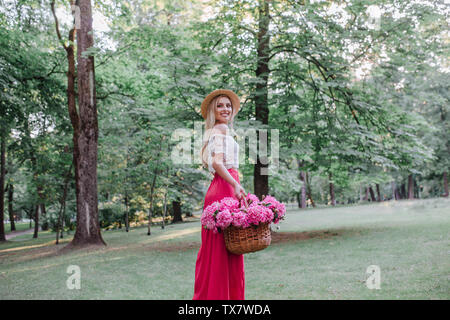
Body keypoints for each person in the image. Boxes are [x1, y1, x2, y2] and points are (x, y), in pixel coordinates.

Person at [193, 89, 246, 300]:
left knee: (224, 249)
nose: (225, 109)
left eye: (228, 105)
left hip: (225, 186)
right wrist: (235, 184)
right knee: (224, 250)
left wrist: (235, 183)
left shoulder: (220, 130)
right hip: (224, 187)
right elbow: (217, 162)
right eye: (220, 106)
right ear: (213, 111)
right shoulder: (220, 129)